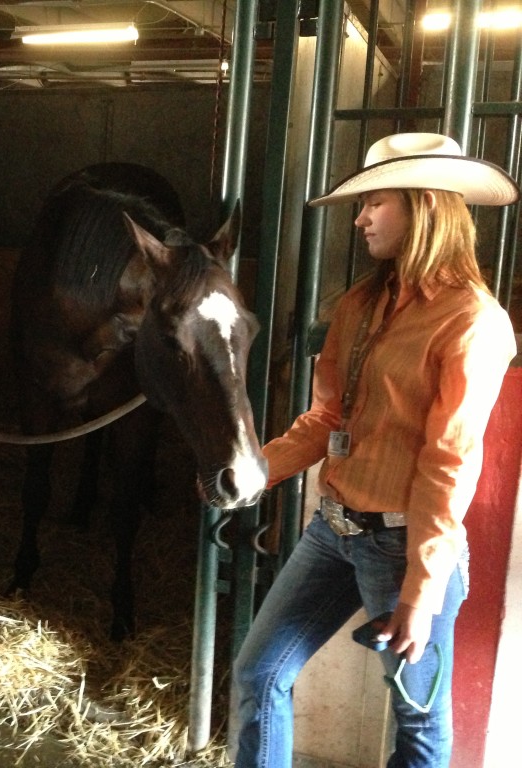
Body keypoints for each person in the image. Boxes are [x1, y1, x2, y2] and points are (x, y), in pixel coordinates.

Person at [231, 132, 519, 768]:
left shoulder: (472, 321)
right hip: (332, 531)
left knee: (417, 723)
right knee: (258, 677)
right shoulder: (360, 303)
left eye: (375, 203)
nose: (359, 218)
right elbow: (330, 416)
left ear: (423, 208)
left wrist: (422, 590)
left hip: (403, 545)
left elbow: (449, 462)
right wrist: (255, 470)